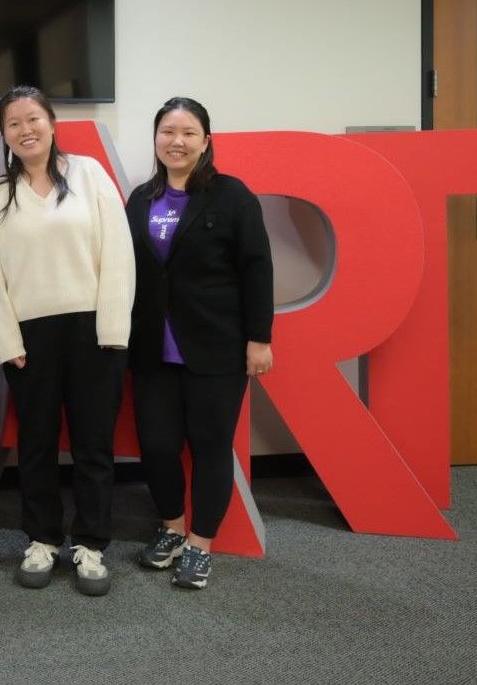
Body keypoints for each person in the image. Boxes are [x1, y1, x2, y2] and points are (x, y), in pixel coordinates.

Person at [0, 86, 135, 596]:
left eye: (33, 119)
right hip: (30, 339)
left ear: (51, 122)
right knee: (37, 445)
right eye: (13, 123)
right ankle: (42, 539)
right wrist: (7, 340)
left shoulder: (89, 174)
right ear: (4, 134)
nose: (26, 130)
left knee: (93, 445)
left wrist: (113, 329)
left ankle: (90, 544)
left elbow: (119, 254)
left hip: (94, 333)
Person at [125, 96, 273, 590]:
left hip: (216, 346)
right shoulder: (140, 199)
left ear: (206, 141)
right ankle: (171, 527)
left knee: (210, 446)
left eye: (189, 132)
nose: (177, 141)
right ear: (155, 139)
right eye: (168, 131)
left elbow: (257, 269)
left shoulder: (232, 197)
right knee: (159, 446)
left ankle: (201, 543)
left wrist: (259, 339)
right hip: (151, 348)